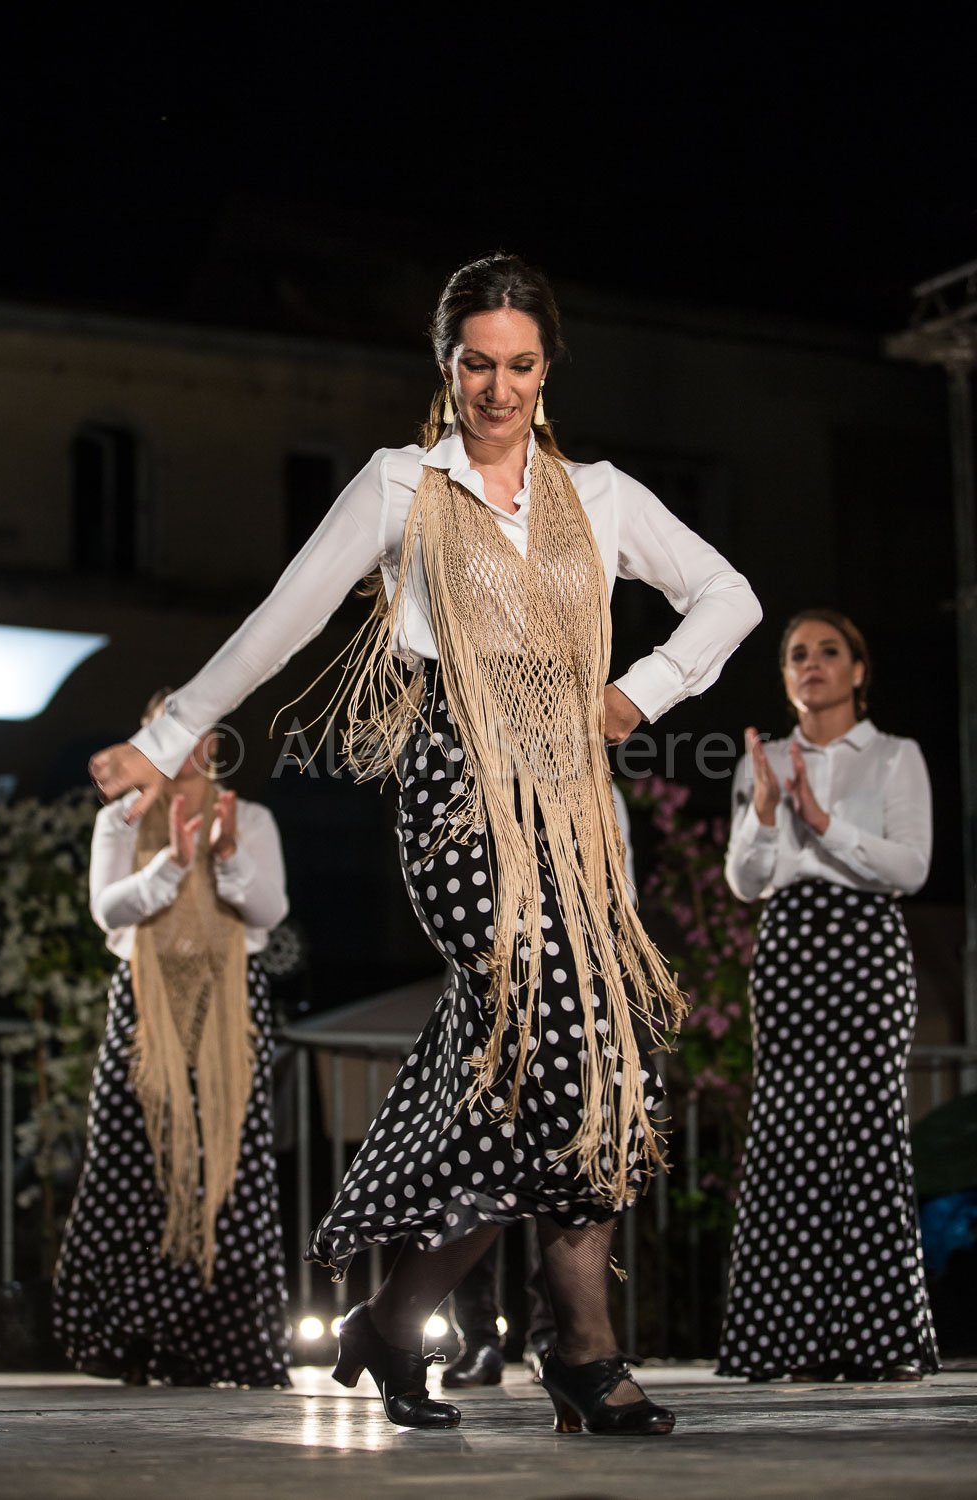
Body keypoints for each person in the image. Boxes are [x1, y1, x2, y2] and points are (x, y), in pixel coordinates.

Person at [89, 254, 761, 1433]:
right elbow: (279, 623)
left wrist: (636, 694)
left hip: (573, 810)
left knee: (577, 1061)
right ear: (445, 365)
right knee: (552, 1037)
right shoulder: (399, 485)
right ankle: (579, 1344)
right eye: (475, 364)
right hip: (458, 798)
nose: (496, 389)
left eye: (519, 365)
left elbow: (729, 595)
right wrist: (168, 736)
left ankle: (397, 1318)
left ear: (547, 370)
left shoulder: (599, 495)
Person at [717, 609, 940, 1383]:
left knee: (870, 1132)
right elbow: (744, 882)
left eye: (828, 651)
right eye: (797, 655)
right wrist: (767, 815)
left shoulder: (895, 756)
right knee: (790, 1134)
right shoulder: (765, 760)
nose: (811, 663)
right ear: (786, 677)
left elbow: (912, 868)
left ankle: (881, 1340)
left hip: (868, 946)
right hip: (789, 947)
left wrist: (823, 823)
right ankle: (789, 1342)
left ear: (857, 670)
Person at [54, 692, 291, 1387]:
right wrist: (171, 864)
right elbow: (109, 911)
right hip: (145, 1006)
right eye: (164, 731)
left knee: (228, 1168)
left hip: (229, 1005)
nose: (183, 746)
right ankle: (129, 1335)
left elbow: (268, 911)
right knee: (128, 1157)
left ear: (212, 743)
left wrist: (225, 855)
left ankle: (208, 1343)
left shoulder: (248, 816)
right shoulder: (120, 817)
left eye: (194, 732)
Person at [442, 784, 638, 1390]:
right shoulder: (478, 776)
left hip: (575, 987)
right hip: (493, 985)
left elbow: (621, 897)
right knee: (479, 1162)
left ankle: (556, 1338)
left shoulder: (597, 788)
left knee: (567, 1158)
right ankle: (477, 1337)